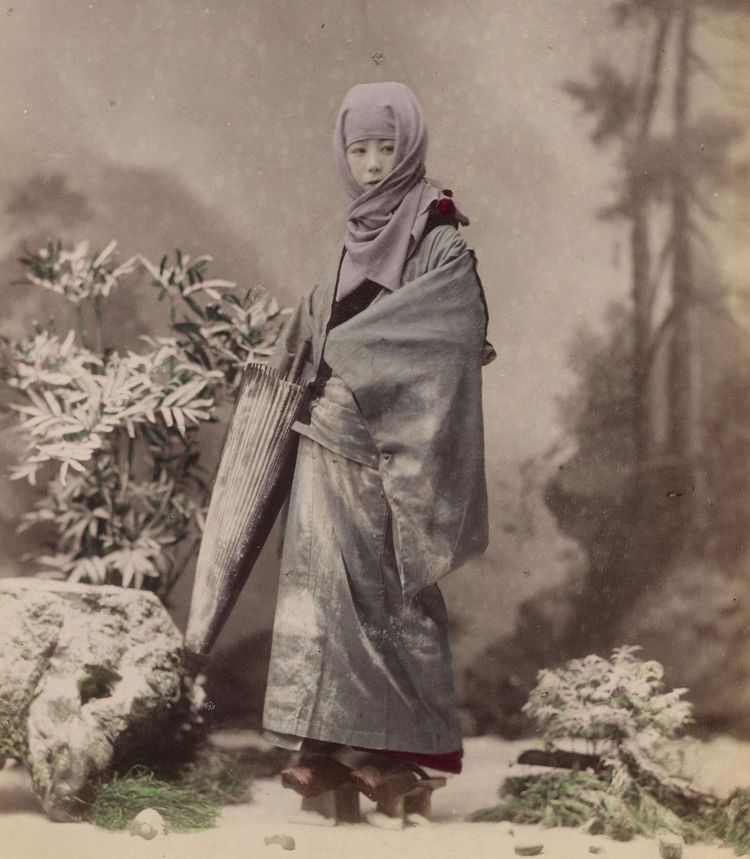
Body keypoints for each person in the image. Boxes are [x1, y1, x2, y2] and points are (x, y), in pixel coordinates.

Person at [262, 81, 494, 813]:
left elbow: (452, 326)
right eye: (358, 149)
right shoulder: (355, 235)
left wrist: (352, 357)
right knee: (321, 587)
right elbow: (314, 322)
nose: (370, 164)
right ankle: (324, 752)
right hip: (325, 444)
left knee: (387, 592)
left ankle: (392, 755)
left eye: (385, 148)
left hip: (389, 449)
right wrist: (288, 349)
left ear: (410, 148)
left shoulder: (438, 234)